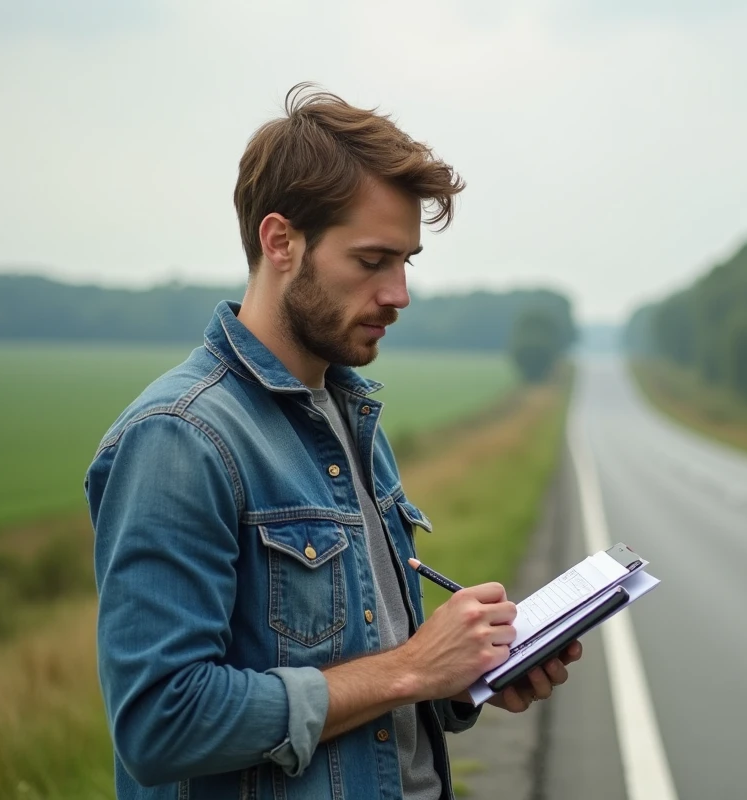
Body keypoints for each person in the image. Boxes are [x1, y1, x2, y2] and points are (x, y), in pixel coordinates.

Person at [85, 83, 581, 800]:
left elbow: (360, 682)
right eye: (372, 261)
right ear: (280, 241)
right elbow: (161, 723)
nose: (399, 293)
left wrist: (463, 676)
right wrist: (413, 666)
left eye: (406, 261)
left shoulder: (350, 415)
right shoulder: (180, 438)